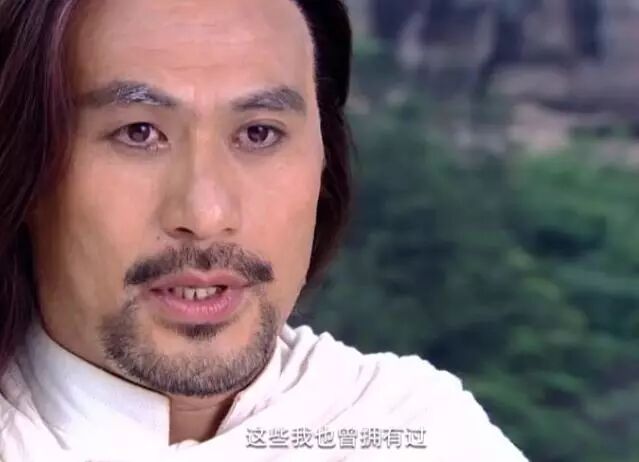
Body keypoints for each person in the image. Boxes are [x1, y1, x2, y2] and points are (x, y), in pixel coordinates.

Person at [0, 1, 528, 460]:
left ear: (325, 164)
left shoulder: (412, 433)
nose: (206, 215)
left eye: (258, 133)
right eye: (139, 133)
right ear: (25, 162)